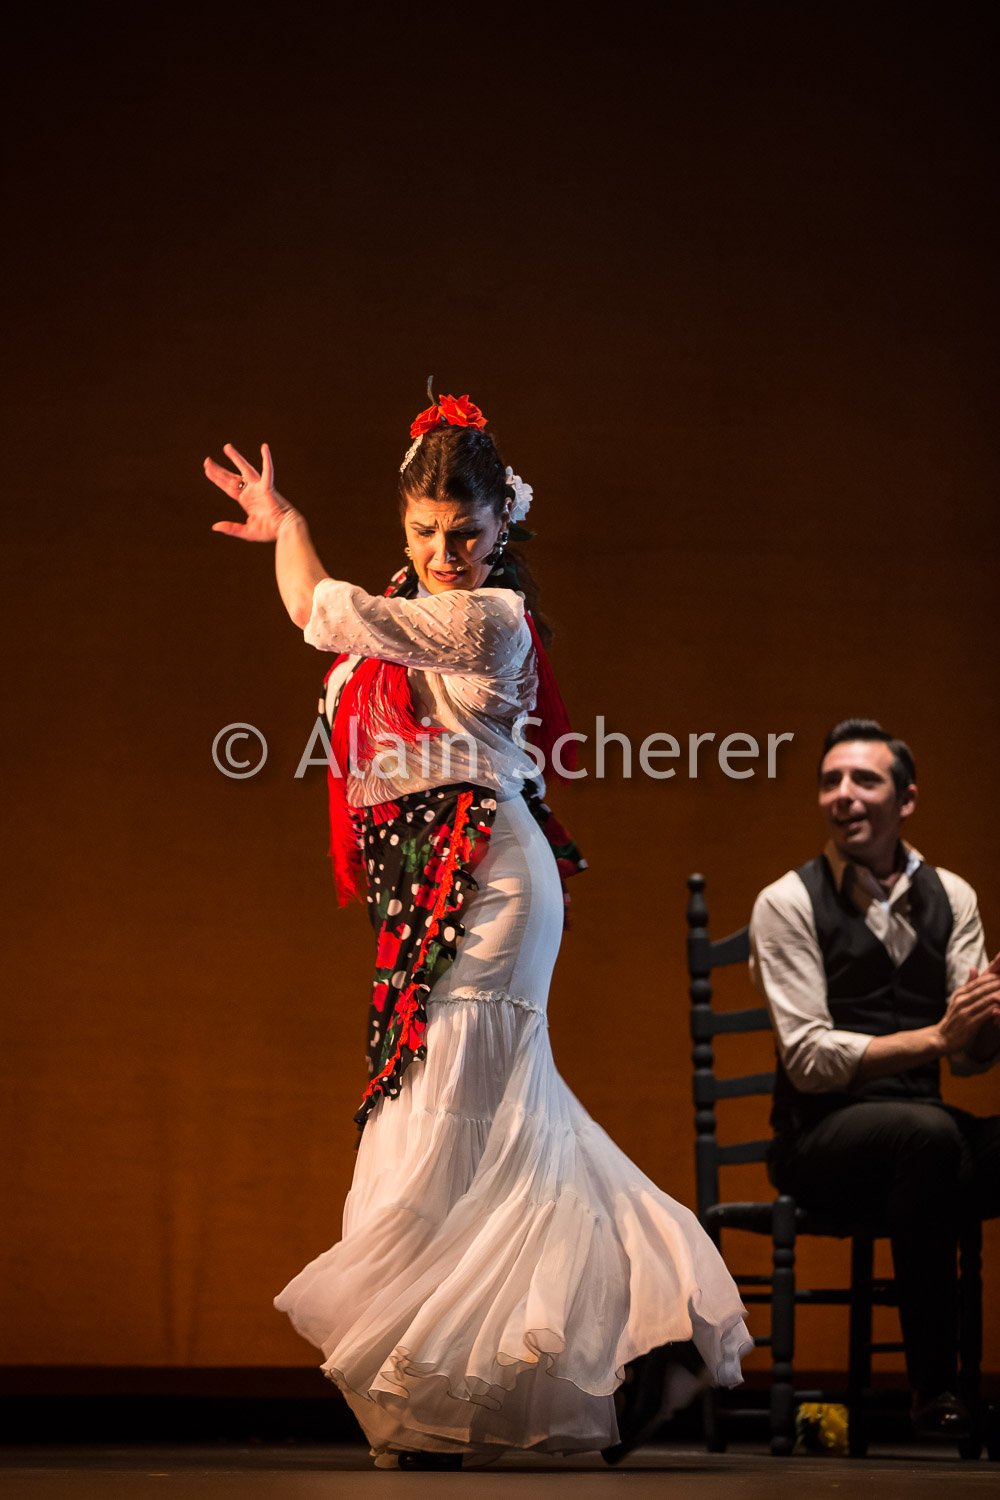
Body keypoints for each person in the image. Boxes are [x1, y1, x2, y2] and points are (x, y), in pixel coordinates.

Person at [205, 390, 752, 1469]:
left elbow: (318, 609)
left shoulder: (489, 620)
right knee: (489, 1121)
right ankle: (610, 1356)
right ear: (405, 523)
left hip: (489, 875)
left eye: (465, 532)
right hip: (422, 884)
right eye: (424, 531)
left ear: (504, 525)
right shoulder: (402, 611)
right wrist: (289, 529)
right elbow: (320, 610)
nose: (445, 553)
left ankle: (505, 1376)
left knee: (455, 1115)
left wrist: (296, 535)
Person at [749, 718, 1000, 1439]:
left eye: (864, 780)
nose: (844, 795)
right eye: (831, 781)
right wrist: (939, 1037)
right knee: (925, 1137)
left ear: (906, 800)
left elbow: (968, 1058)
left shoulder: (952, 895)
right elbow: (809, 1060)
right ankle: (934, 1389)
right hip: (820, 1139)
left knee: (933, 1142)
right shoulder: (788, 900)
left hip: (924, 1143)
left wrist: (988, 1019)